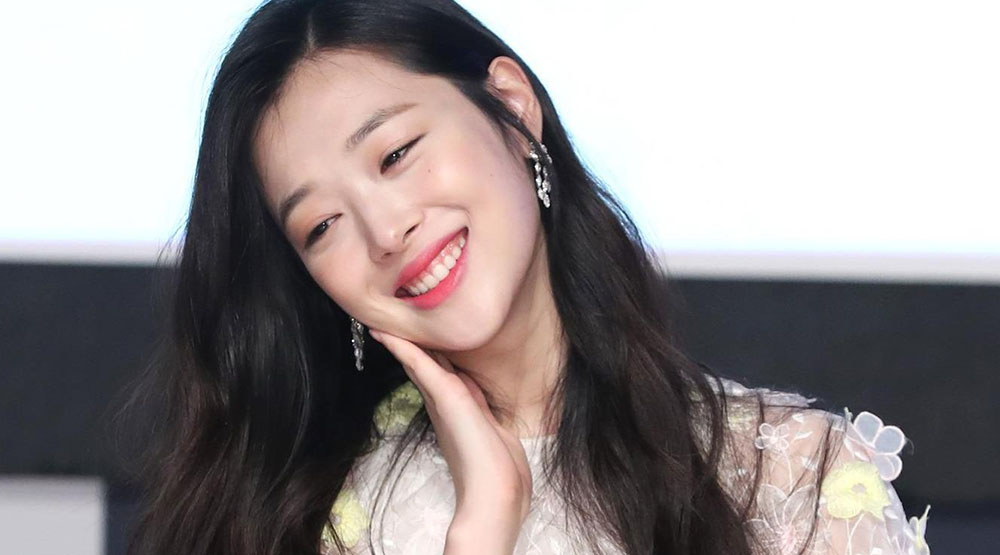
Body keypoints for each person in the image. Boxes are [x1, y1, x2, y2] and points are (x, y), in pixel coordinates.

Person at [125, 1, 932, 554]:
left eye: (396, 154)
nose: (386, 230)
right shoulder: (311, 527)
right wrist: (481, 526)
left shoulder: (793, 478)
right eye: (322, 225)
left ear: (512, 110)